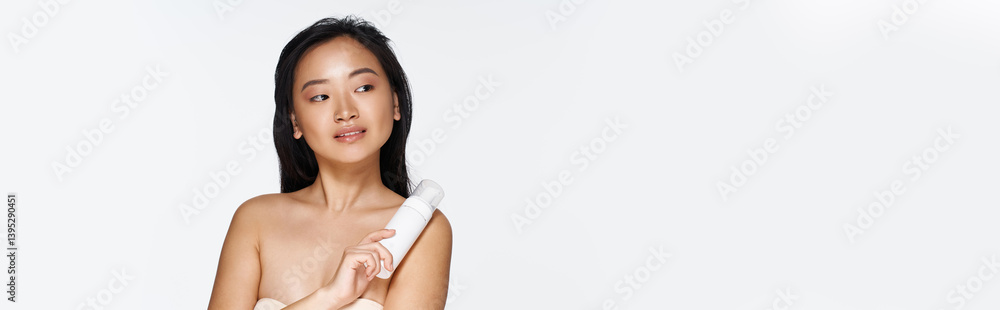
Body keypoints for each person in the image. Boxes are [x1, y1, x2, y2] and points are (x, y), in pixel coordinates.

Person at [208, 16, 452, 309]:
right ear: (295, 121)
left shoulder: (422, 230)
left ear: (396, 102)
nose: (345, 111)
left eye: (363, 88)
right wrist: (330, 297)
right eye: (321, 96)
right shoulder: (255, 220)